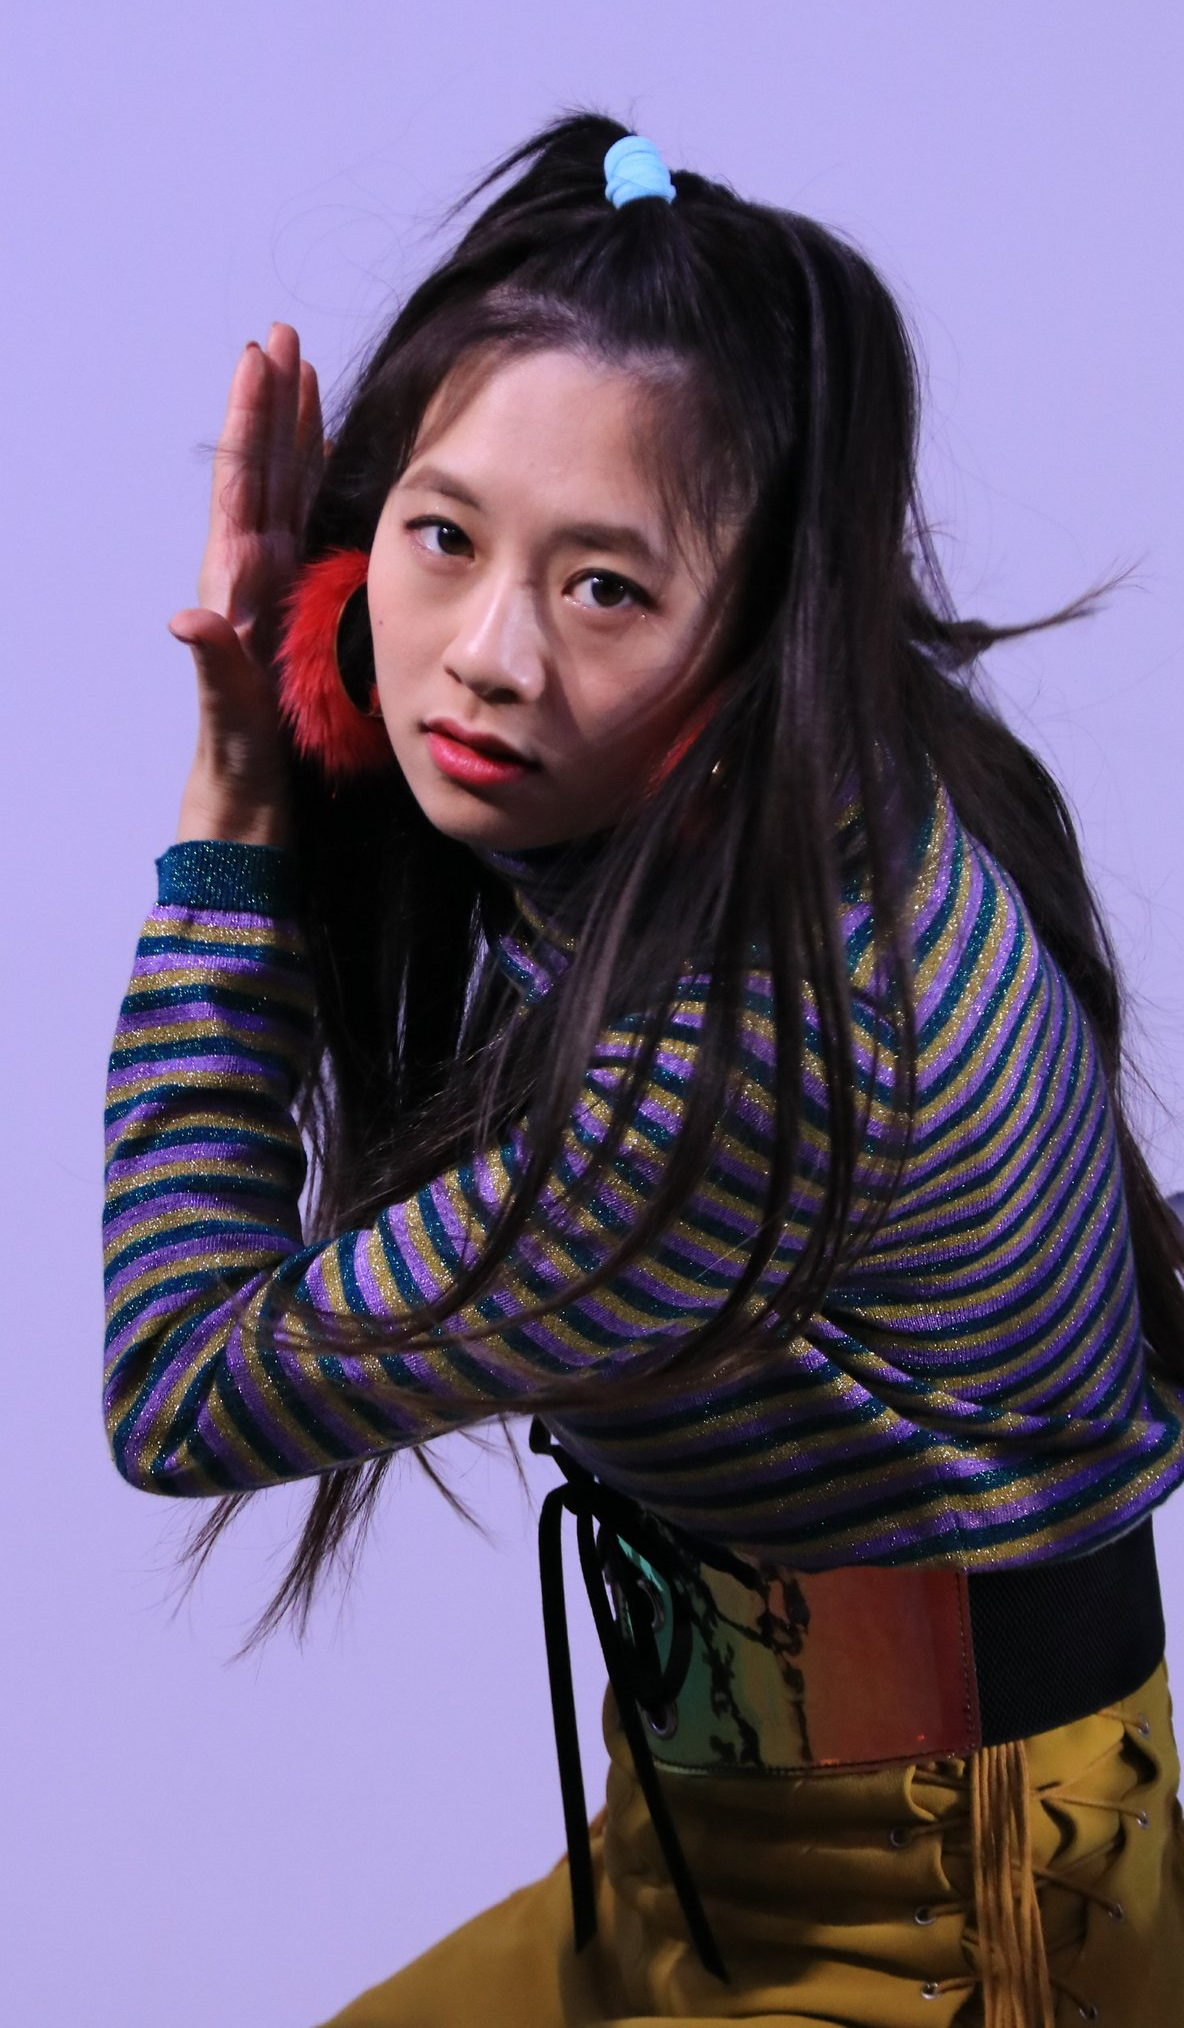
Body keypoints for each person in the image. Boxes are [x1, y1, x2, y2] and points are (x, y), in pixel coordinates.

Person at [103, 114, 1184, 2026]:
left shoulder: (731, 1067)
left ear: (755, 642)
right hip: (719, 1845)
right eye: (443, 539)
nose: (485, 658)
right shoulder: (852, 775)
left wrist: (236, 830)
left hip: (955, 1919)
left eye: (606, 587)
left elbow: (183, 1389)